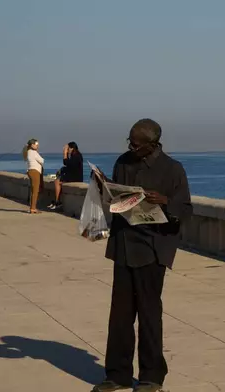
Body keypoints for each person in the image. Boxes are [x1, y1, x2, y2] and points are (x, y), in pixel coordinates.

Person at [92, 119, 192, 392]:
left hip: (153, 248)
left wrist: (166, 202)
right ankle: (117, 374)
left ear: (152, 144)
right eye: (130, 142)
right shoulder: (123, 162)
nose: (131, 147)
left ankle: (152, 377)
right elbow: (115, 202)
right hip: (124, 244)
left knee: (149, 313)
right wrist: (104, 186)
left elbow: (185, 209)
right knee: (120, 314)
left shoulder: (173, 170)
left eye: (136, 144)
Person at [48, 142, 84, 210]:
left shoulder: (77, 156)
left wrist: (65, 154)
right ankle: (57, 201)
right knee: (57, 181)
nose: (67, 150)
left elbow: (66, 163)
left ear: (72, 148)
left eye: (68, 148)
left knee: (57, 182)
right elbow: (68, 165)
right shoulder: (75, 155)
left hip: (75, 178)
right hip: (73, 176)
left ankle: (57, 201)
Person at [22, 139, 44, 214]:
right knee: (35, 190)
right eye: (36, 144)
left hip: (30, 171)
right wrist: (37, 152)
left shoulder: (28, 152)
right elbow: (42, 160)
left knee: (33, 190)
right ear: (32, 145)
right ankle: (33, 208)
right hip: (35, 172)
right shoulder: (33, 153)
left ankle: (32, 207)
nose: (37, 146)